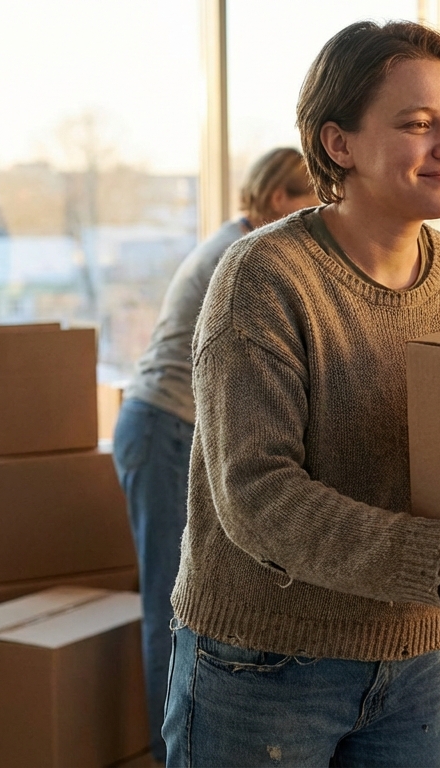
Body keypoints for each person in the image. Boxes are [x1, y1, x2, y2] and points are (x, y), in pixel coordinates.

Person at [162, 21, 440, 767]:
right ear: (338, 143)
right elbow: (257, 495)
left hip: (409, 656)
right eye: (417, 124)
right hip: (265, 661)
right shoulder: (264, 280)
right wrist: (437, 559)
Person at [112, 147, 316, 763]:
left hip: (166, 426)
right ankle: (168, 749)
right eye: (312, 196)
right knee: (173, 601)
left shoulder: (241, 243)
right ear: (279, 199)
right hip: (165, 427)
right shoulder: (243, 258)